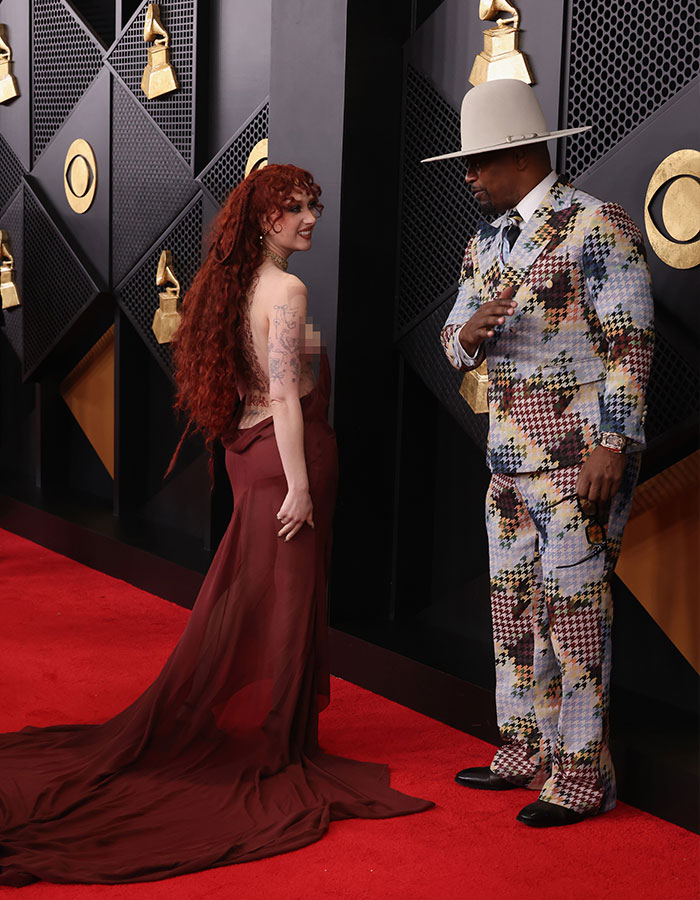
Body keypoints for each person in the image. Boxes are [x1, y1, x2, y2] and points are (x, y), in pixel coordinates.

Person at [0, 164, 432, 886]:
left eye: (314, 206)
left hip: (248, 456)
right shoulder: (286, 290)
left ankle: (274, 729)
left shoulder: (226, 287)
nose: (310, 219)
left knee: (258, 598)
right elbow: (290, 398)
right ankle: (275, 745)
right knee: (287, 605)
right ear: (264, 221)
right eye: (295, 209)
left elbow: (248, 387)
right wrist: (299, 485)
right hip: (284, 463)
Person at [424, 80, 654, 827]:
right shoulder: (483, 242)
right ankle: (524, 750)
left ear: (519, 153)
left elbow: (631, 344)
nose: (468, 178)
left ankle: (583, 778)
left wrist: (612, 443)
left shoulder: (595, 224)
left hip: (579, 460)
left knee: (575, 618)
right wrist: (471, 333)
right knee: (514, 613)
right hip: (507, 464)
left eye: (476, 163)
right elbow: (449, 341)